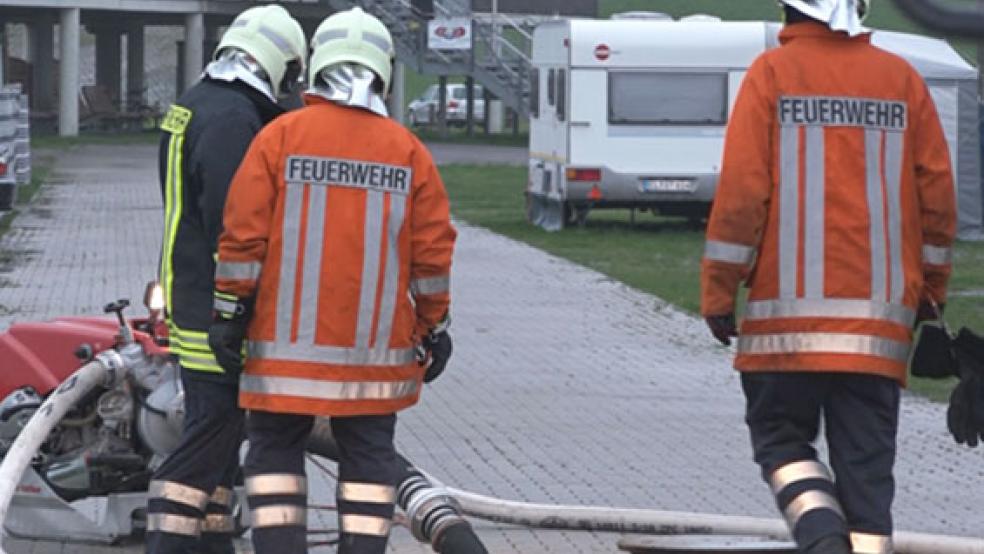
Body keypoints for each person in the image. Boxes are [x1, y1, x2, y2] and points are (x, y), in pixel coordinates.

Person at [699, 1, 956, 552]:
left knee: (783, 447)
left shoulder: (770, 75)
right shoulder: (901, 78)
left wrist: (719, 292)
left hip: (782, 334)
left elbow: (742, 198)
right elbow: (936, 197)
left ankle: (822, 541)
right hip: (877, 337)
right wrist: (932, 290)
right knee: (867, 485)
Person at [209, 7, 456, 553]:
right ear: (382, 70)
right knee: (370, 467)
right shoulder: (407, 151)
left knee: (273, 458)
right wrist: (435, 326)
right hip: (374, 362)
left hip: (282, 359)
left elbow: (241, 240)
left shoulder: (279, 138)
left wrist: (228, 316)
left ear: (319, 66)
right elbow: (432, 257)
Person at [147, 6, 306, 553]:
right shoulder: (235, 121)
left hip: (190, 298)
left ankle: (212, 547)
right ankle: (165, 543)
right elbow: (233, 226)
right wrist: (236, 311)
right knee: (208, 441)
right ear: (278, 63)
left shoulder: (192, 104)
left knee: (218, 452)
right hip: (217, 311)